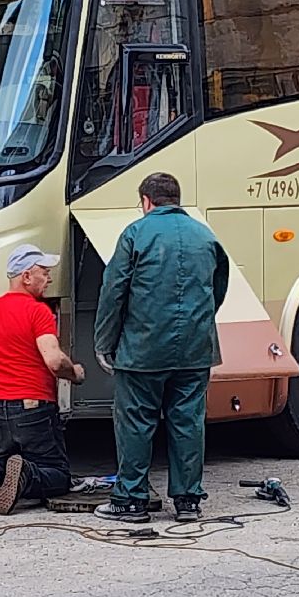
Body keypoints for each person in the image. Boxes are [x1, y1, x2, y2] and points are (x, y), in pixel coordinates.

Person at [92, 172, 229, 523]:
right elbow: (218, 288)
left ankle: (131, 501)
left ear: (146, 201)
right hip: (196, 350)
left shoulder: (136, 234)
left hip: (144, 349)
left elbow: (113, 292)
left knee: (136, 421)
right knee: (188, 422)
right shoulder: (204, 235)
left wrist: (105, 343)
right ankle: (187, 502)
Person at [0, 245, 85, 515]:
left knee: (1, 458)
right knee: (57, 474)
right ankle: (26, 476)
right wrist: (74, 372)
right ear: (26, 276)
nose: (49, 279)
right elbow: (53, 360)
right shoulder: (38, 311)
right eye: (45, 272)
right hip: (33, 404)